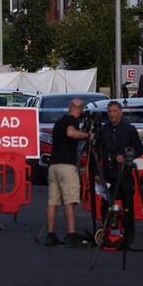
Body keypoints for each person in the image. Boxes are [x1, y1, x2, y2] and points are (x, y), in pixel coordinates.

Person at [100, 100, 143, 248]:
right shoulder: (104, 129)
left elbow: (139, 149)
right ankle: (107, 232)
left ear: (120, 113)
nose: (112, 114)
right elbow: (97, 151)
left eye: (114, 111)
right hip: (108, 173)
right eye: (110, 112)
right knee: (106, 204)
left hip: (124, 173)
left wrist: (126, 158)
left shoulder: (129, 129)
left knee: (127, 205)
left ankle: (128, 236)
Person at [46, 98, 90, 247]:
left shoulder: (59, 121)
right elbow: (71, 133)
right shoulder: (72, 120)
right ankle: (71, 234)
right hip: (66, 165)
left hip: (53, 166)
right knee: (69, 201)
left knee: (53, 202)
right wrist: (87, 135)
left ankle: (50, 234)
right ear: (78, 108)